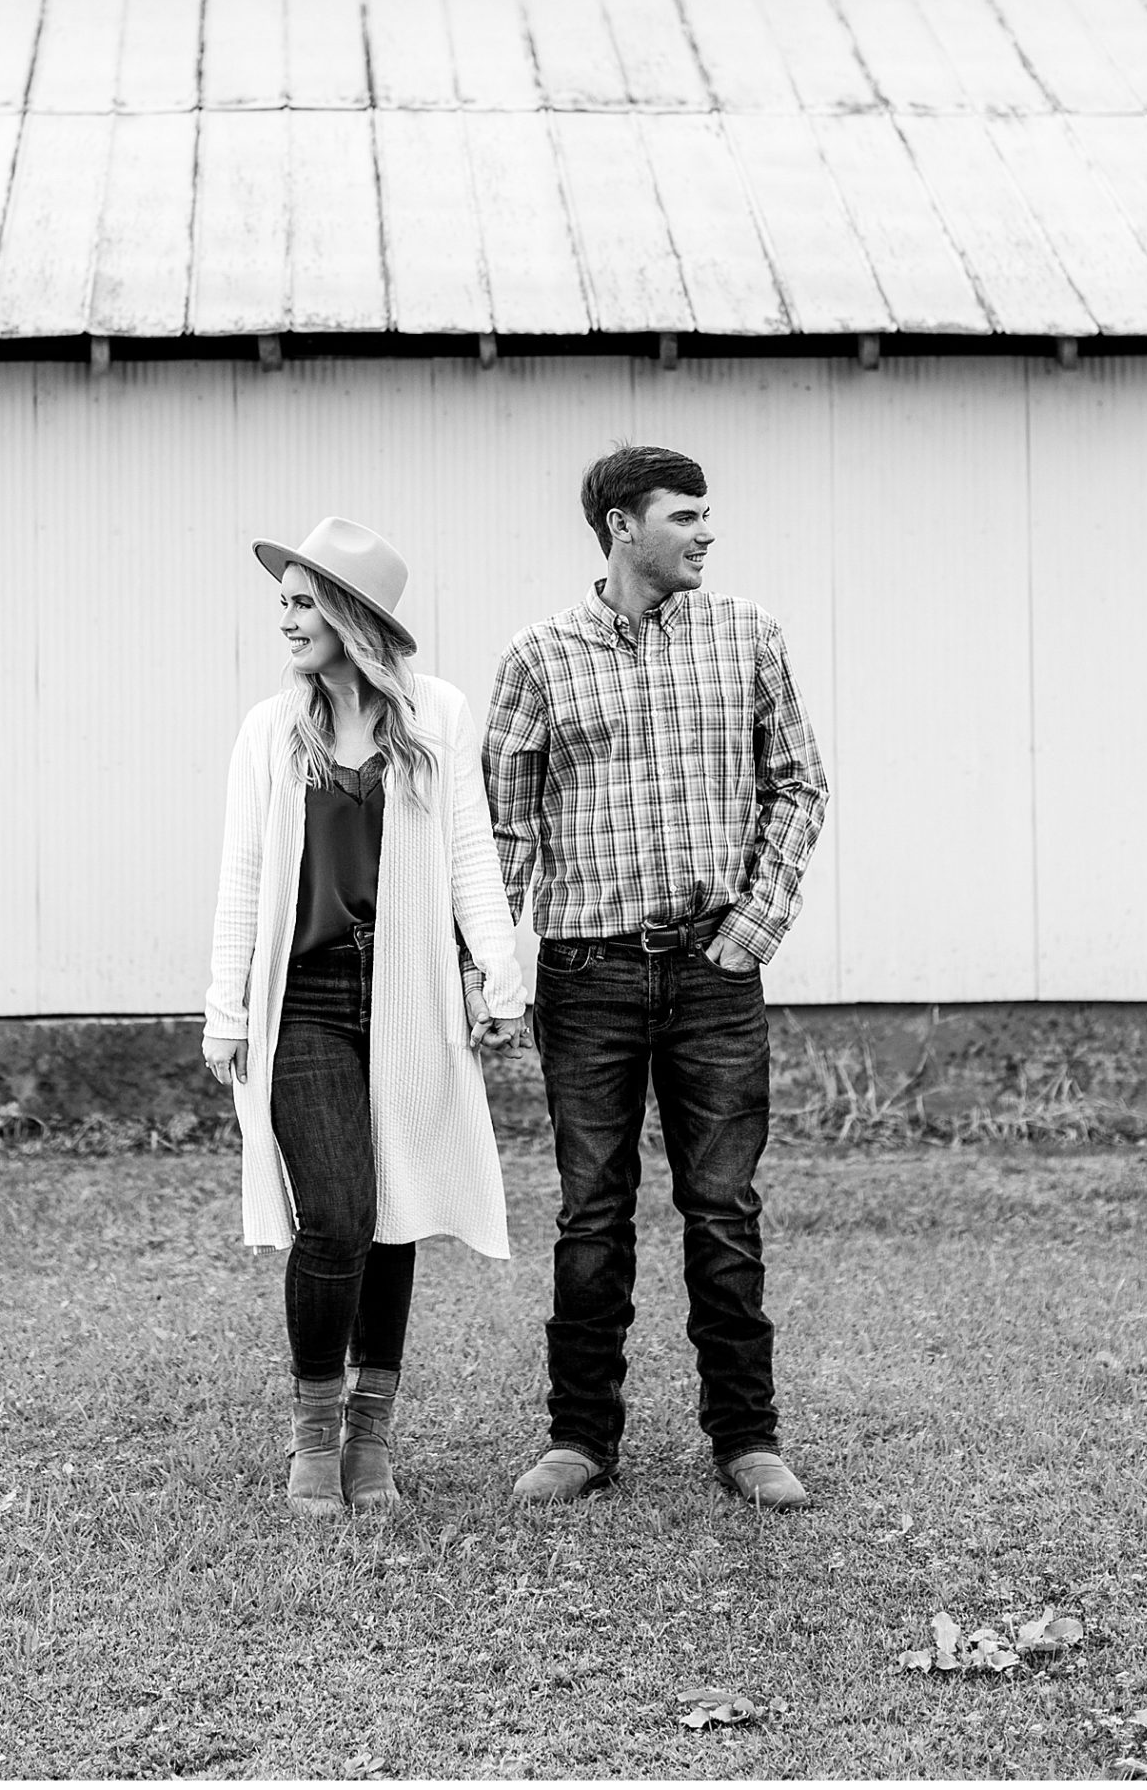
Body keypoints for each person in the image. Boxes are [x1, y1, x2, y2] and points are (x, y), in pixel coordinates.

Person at [483, 446, 828, 1511]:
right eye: (684, 516)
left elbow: (798, 786)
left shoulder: (749, 639)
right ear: (621, 525)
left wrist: (754, 925)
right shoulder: (540, 658)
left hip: (712, 973)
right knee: (593, 1212)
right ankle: (581, 1437)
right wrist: (492, 974)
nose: (705, 533)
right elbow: (503, 832)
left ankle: (748, 1435)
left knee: (723, 1207)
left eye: (706, 515)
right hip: (585, 975)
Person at [203, 517, 526, 1518]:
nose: (287, 620)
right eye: (286, 602)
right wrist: (226, 1010)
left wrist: (498, 975)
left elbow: (470, 850)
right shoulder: (271, 728)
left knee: (396, 1217)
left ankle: (372, 1436)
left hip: (409, 995)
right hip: (303, 999)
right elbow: (246, 874)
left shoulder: (436, 714)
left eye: (304, 601)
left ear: (352, 615)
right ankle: (314, 1434)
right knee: (337, 1213)